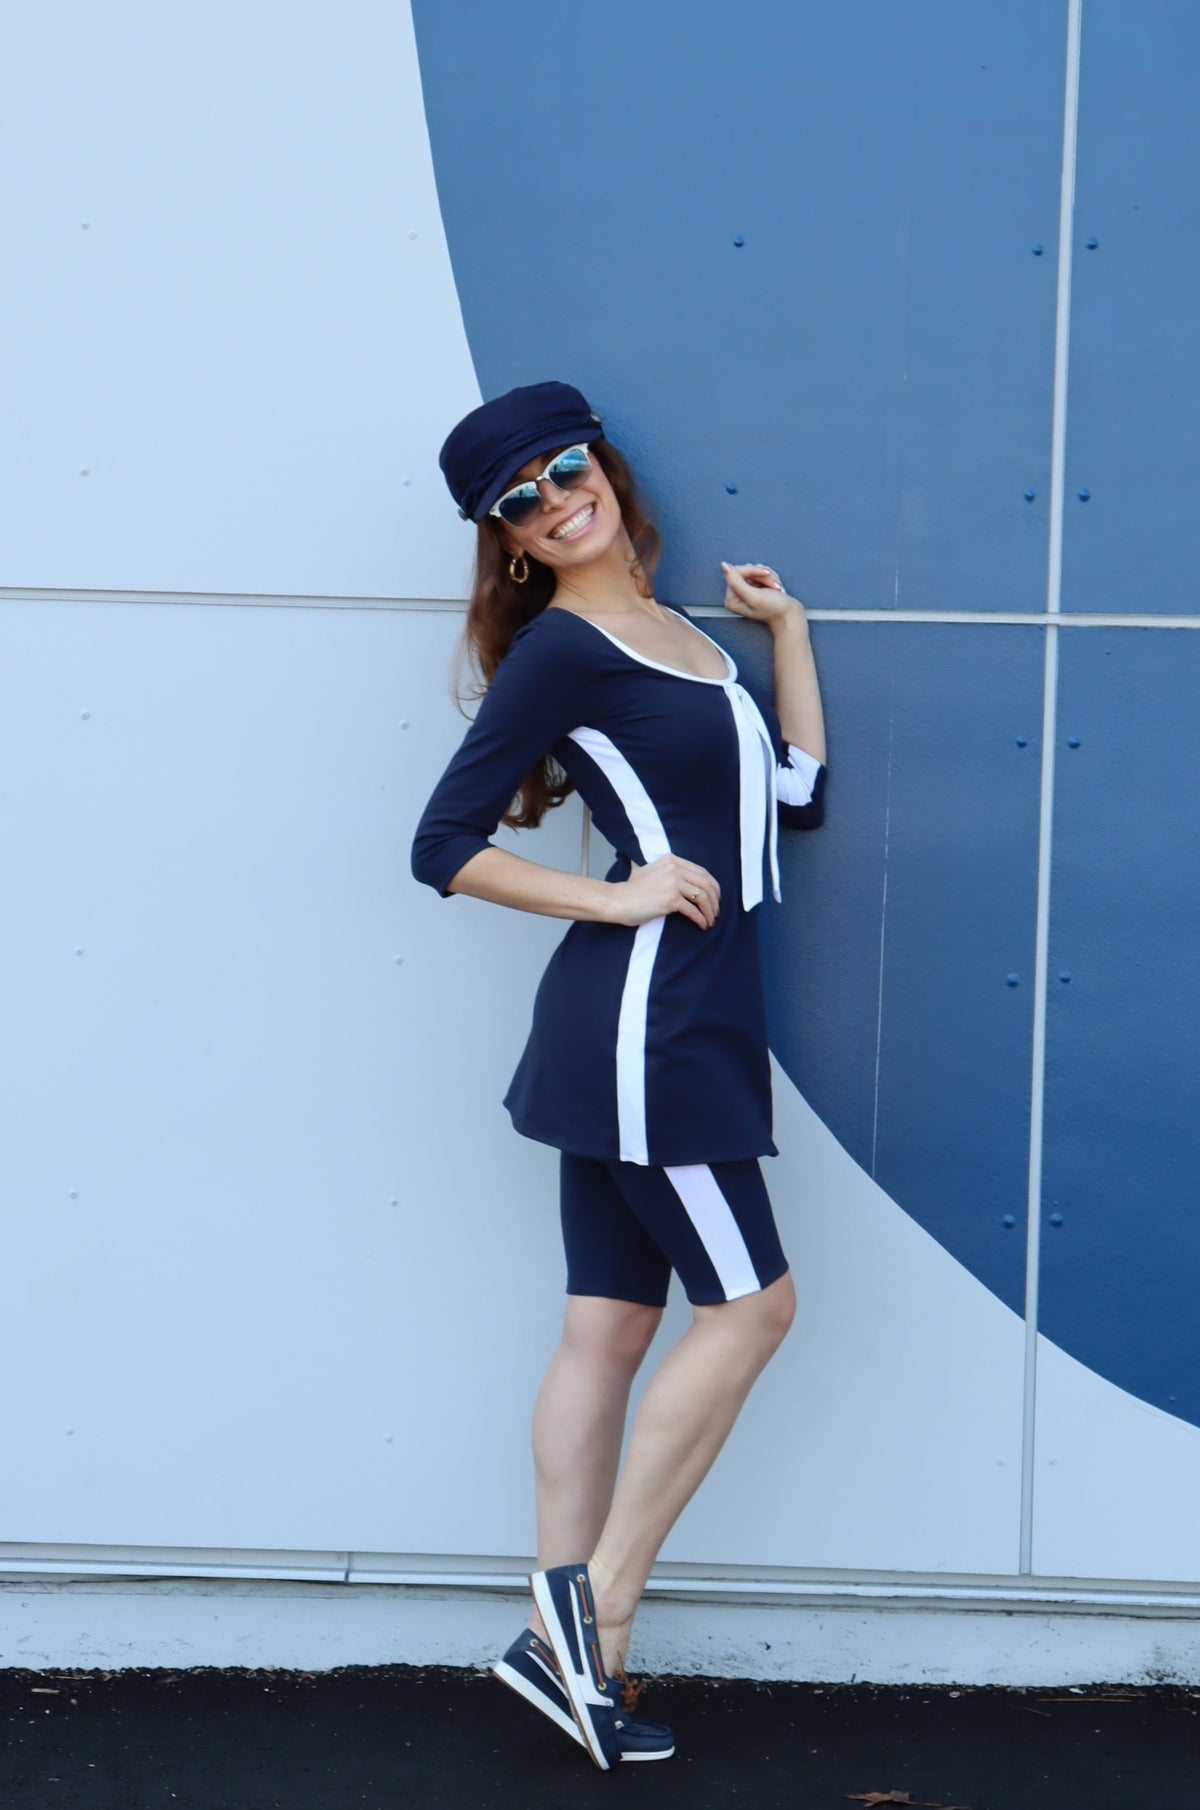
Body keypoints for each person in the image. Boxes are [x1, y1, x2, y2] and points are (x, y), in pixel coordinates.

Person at [411, 381, 827, 1770]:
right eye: (517, 500)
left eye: (564, 466)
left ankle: (577, 1661)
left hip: (674, 1020)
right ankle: (590, 1614)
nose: (551, 497)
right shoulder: (561, 649)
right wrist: (621, 896)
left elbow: (796, 800)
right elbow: (444, 844)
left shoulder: (683, 637)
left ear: (604, 467)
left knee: (607, 1327)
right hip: (651, 1025)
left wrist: (789, 636)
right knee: (756, 1309)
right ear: (511, 542)